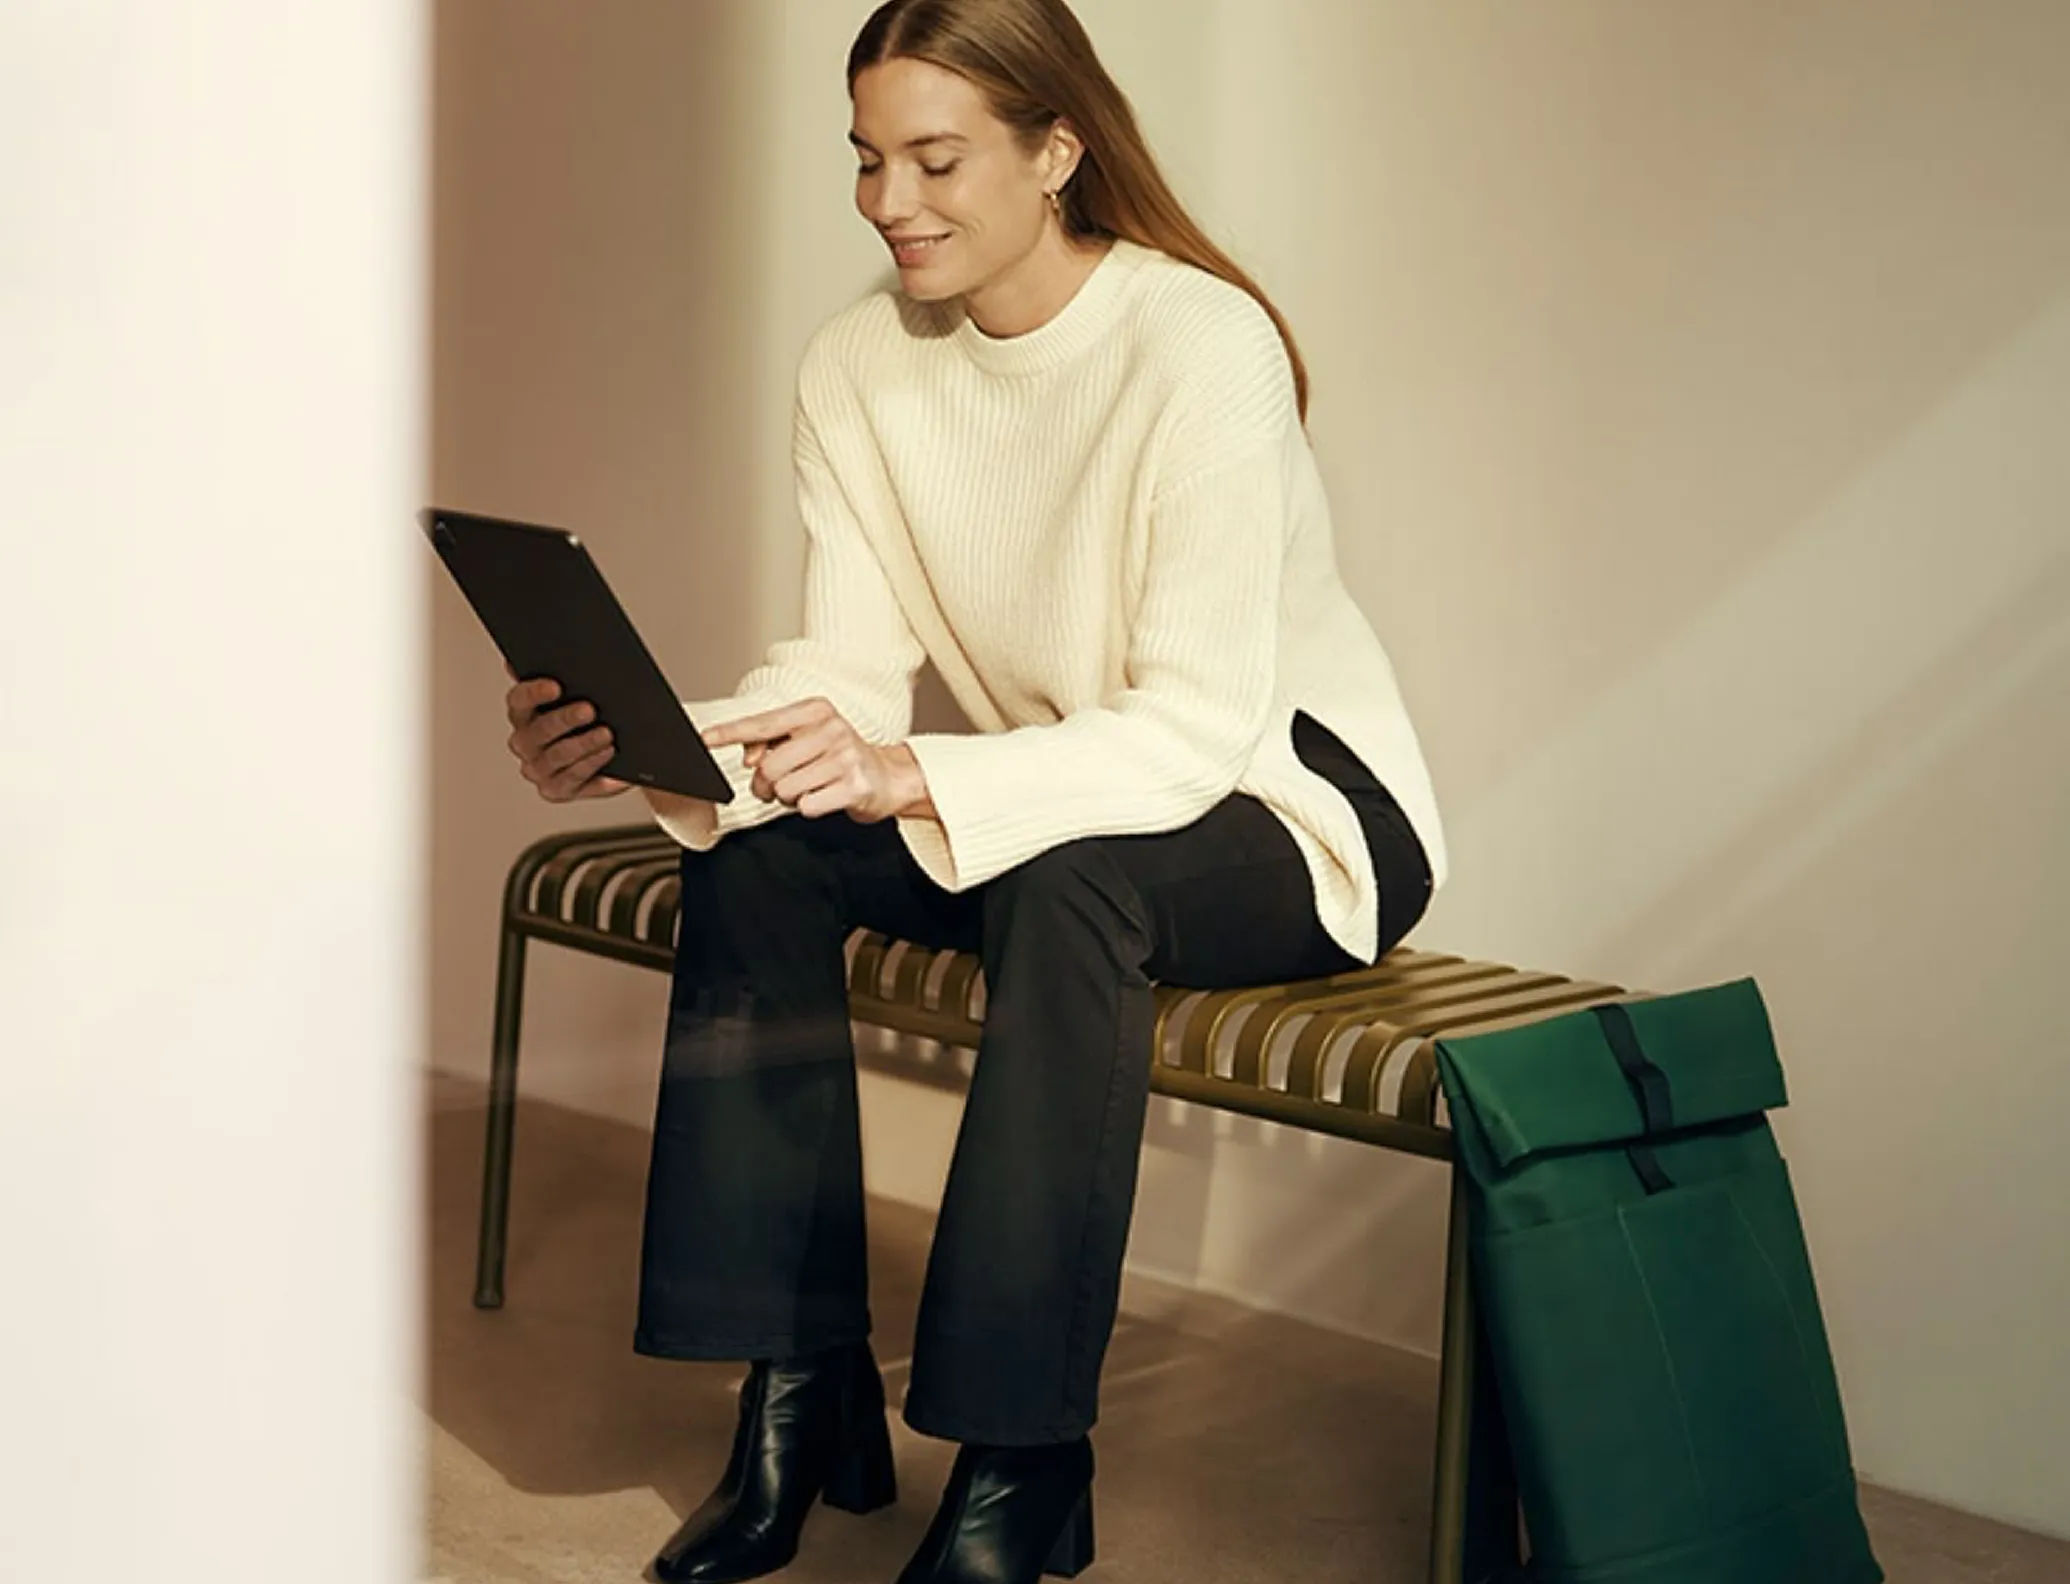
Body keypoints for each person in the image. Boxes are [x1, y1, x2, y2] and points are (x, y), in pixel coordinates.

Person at [501, 1, 1447, 1579]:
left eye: (933, 159)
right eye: (867, 159)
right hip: (1060, 794)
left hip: (1289, 809)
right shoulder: (860, 362)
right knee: (759, 855)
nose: (889, 202)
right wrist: (658, 737)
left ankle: (1022, 1458)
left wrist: (911, 770)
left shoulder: (1197, 343)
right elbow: (852, 678)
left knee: (1070, 881)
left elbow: (1197, 726)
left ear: (1054, 150)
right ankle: (798, 1392)